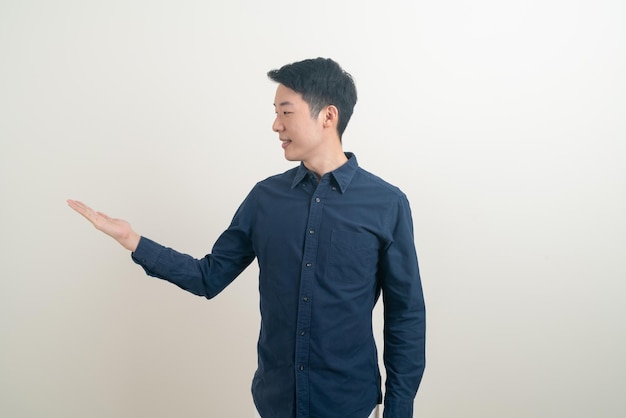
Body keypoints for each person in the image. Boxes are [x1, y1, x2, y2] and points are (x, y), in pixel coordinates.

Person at [68, 57, 425, 418]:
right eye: (275, 112)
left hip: (350, 404)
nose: (275, 125)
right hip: (276, 403)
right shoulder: (264, 199)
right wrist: (133, 240)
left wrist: (398, 409)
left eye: (286, 112)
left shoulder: (387, 204)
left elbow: (405, 316)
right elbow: (208, 276)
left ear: (328, 116)